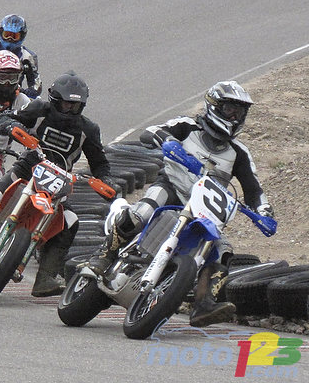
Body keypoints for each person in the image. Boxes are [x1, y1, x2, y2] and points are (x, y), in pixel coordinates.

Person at [88, 80, 275, 327]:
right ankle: (105, 255)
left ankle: (204, 303)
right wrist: (169, 142)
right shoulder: (187, 126)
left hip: (205, 207)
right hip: (171, 188)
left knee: (222, 251)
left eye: (240, 112)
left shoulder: (239, 153)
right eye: (230, 109)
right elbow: (150, 132)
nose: (235, 116)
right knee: (141, 213)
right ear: (214, 106)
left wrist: (264, 211)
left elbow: (254, 189)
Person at [0, 71, 113, 297]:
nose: (70, 109)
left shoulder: (89, 129)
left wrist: (106, 181)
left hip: (58, 184)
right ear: (55, 100)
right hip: (26, 169)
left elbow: (100, 163)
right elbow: (6, 118)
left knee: (71, 222)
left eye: (75, 106)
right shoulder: (39, 110)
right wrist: (10, 126)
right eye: (66, 104)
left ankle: (45, 277)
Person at [0, 14, 42, 99]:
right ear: (1, 32)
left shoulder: (28, 57)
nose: (10, 39)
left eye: (14, 36)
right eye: (7, 35)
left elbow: (36, 83)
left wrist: (29, 92)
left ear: (22, 36)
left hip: (13, 94)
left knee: (37, 102)